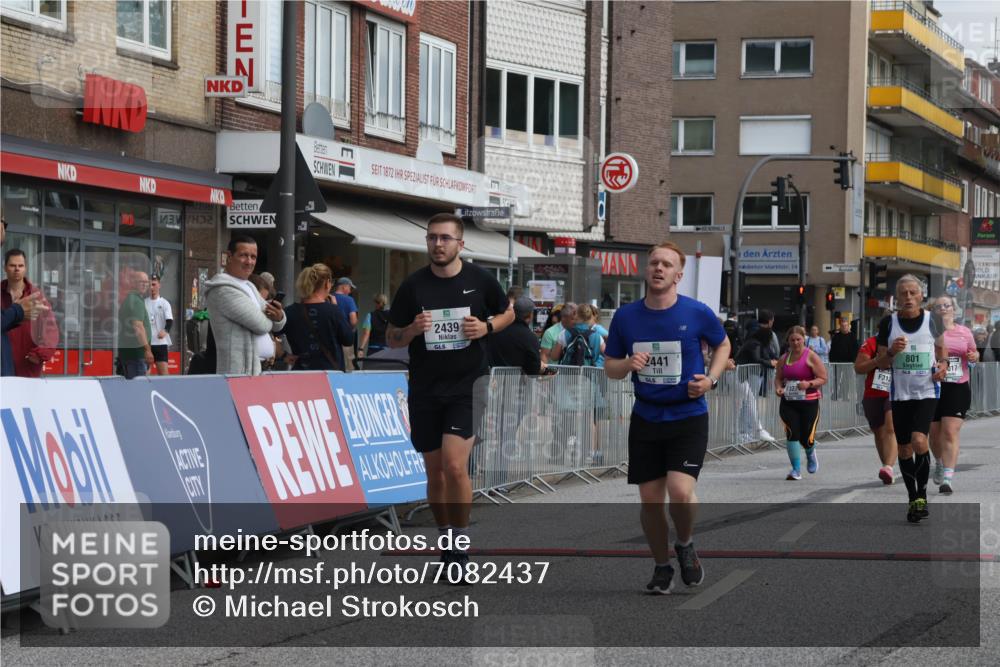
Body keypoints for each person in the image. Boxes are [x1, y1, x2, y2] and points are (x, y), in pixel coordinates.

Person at [387, 213, 513, 581]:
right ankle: (447, 540)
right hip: (425, 387)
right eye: (432, 238)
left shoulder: (479, 280)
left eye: (445, 238)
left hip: (468, 384)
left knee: (455, 465)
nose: (437, 244)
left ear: (461, 244)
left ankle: (460, 543)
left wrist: (486, 326)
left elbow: (508, 314)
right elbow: (392, 336)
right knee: (435, 471)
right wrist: (411, 329)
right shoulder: (413, 286)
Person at [604, 241, 730, 594]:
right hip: (646, 417)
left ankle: (686, 543)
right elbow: (610, 368)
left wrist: (711, 379)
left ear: (679, 274)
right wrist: (628, 364)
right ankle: (662, 566)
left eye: (667, 264)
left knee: (679, 490)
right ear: (646, 270)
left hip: (688, 415)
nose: (658, 268)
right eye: (653, 263)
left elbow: (723, 344)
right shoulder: (626, 317)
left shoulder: (696, 312)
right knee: (650, 501)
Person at [876, 275, 948, 523]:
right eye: (903, 293)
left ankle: (923, 495)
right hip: (900, 393)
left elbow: (941, 348)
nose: (908, 297)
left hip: (927, 391)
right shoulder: (888, 323)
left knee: (919, 439)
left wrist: (944, 364)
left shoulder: (932, 319)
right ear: (898, 297)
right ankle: (912, 498)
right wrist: (892, 352)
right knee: (905, 447)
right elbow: (882, 361)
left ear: (920, 296)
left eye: (912, 293)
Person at [203, 236, 286, 376]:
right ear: (229, 256)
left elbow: (278, 324)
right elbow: (262, 325)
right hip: (237, 373)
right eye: (243, 255)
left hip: (258, 370)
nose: (249, 262)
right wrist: (271, 318)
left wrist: (279, 316)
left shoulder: (250, 286)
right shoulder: (222, 289)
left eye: (253, 257)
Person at [928, 296, 978, 494]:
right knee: (933, 433)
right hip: (932, 385)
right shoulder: (928, 331)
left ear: (953, 309)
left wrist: (974, 356)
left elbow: (974, 353)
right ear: (933, 311)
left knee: (949, 431)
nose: (943, 308)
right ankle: (939, 462)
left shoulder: (964, 332)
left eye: (946, 305)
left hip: (957, 385)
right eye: (938, 306)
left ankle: (948, 477)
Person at [774, 326, 828, 480]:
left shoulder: (811, 356)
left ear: (804, 339)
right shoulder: (784, 358)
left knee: (806, 437)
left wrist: (808, 384)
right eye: (792, 340)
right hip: (789, 402)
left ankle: (810, 453)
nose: (796, 343)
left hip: (809, 402)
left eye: (798, 339)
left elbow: (823, 378)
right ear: (788, 341)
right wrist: (778, 388)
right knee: (792, 434)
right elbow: (778, 377)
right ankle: (796, 470)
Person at [282, 264, 354, 371]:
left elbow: (272, 335)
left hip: (300, 373)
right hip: (330, 374)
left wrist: (283, 355)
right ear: (327, 284)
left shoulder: (289, 312)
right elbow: (348, 340)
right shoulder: (333, 311)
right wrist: (336, 309)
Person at [2, 248, 57, 377]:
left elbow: (51, 331)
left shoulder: (36, 296)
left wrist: (40, 354)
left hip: (27, 367)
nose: (17, 269)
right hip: (2, 365)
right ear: (5, 267)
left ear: (25, 268)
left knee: (25, 399)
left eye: (20, 265)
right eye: (12, 265)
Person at [854, 333, 898, 484]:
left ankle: (889, 467)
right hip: (873, 393)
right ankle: (886, 468)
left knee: (891, 428)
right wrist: (877, 360)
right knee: (879, 433)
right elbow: (859, 368)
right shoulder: (871, 343)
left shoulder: (904, 343)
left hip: (896, 392)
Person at [734, 326, 780, 445]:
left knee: (747, 402)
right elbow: (757, 359)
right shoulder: (755, 344)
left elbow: (762, 357)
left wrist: (771, 361)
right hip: (739, 375)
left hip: (740, 375)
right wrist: (770, 363)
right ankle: (755, 430)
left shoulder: (753, 343)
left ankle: (747, 432)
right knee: (747, 403)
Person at [488, 296, 541, 375]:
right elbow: (534, 368)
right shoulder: (530, 337)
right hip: (516, 383)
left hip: (492, 381)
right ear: (530, 315)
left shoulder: (497, 328)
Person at [117, 270, 154, 379]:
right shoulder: (135, 301)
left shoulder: (133, 299)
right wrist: (147, 350)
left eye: (146, 282)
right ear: (133, 283)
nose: (144, 284)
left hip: (131, 355)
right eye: (141, 281)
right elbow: (138, 327)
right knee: (138, 390)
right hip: (136, 355)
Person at [551, 303, 605, 368]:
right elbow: (608, 355)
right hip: (590, 374)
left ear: (575, 315)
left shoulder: (564, 333)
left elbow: (554, 357)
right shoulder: (597, 336)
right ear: (589, 317)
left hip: (568, 374)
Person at [144, 274, 173, 376]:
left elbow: (169, 321)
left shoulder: (165, 303)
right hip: (147, 344)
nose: (152, 287)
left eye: (154, 284)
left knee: (163, 374)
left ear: (159, 285)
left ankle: (166, 391)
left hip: (160, 344)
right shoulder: (144, 303)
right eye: (149, 285)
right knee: (146, 374)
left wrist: (165, 331)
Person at [333, 276, 359, 370]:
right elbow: (353, 321)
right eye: (350, 288)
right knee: (348, 367)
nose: (350, 291)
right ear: (344, 287)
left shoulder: (328, 298)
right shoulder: (349, 300)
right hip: (345, 340)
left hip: (330, 339)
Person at [358, 294, 391, 360]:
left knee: (372, 369)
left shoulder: (370, 316)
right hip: (388, 351)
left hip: (373, 350)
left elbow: (366, 334)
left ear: (376, 303)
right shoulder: (392, 316)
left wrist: (361, 349)